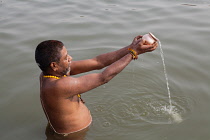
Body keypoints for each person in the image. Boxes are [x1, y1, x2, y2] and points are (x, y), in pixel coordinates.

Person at [35, 35, 158, 139]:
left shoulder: (50, 74)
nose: (70, 58)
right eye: (66, 57)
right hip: (72, 137)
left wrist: (130, 47)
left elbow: (98, 62)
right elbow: (103, 77)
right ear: (54, 65)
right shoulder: (59, 86)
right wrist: (133, 53)